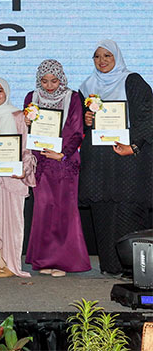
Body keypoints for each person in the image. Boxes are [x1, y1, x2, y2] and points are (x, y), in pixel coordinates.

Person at [78, 40, 152, 275]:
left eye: (107, 56)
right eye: (97, 56)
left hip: (127, 158)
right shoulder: (88, 85)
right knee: (102, 212)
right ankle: (110, 266)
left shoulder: (133, 81)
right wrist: (86, 121)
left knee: (128, 211)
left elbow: (148, 117)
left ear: (117, 57)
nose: (102, 61)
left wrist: (134, 146)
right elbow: (81, 122)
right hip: (99, 160)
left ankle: (132, 268)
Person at [24, 59, 91, 276]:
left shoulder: (72, 97)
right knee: (43, 210)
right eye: (44, 81)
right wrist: (25, 124)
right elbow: (30, 132)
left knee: (64, 212)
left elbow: (77, 130)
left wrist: (62, 154)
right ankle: (45, 260)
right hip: (41, 161)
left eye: (54, 80)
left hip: (64, 161)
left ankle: (64, 261)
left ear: (61, 78)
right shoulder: (31, 97)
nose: (49, 85)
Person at [0, 78, 36, 278]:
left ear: (7, 92)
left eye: (0, 90)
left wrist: (25, 170)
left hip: (12, 177)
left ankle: (12, 265)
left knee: (14, 222)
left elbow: (27, 147)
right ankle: (1, 262)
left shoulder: (18, 116)